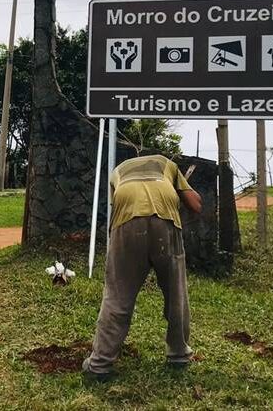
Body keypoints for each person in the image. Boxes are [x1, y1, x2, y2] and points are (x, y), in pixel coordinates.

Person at [82, 151, 203, 380]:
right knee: (175, 293)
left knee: (117, 295)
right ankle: (178, 354)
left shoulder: (118, 171)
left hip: (126, 221)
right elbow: (195, 204)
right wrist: (182, 190)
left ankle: (99, 364)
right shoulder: (167, 165)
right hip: (164, 217)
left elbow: (115, 208)